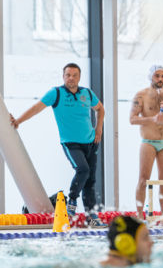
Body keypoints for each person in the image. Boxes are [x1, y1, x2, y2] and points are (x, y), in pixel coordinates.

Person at [10, 63, 105, 227]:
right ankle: (72, 202)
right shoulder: (56, 93)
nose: (71, 78)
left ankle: (91, 215)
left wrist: (99, 130)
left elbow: (100, 109)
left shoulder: (87, 93)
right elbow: (36, 108)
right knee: (83, 169)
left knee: (90, 180)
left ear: (79, 77)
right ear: (63, 76)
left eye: (74, 75)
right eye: (68, 75)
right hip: (71, 143)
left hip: (91, 142)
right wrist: (18, 121)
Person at [130, 65, 163, 220]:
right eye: (157, 76)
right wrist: (151, 119)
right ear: (150, 77)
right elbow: (132, 119)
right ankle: (140, 216)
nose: (160, 79)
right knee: (143, 179)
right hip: (148, 142)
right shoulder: (141, 95)